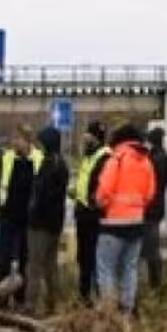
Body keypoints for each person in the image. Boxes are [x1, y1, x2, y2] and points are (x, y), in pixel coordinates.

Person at [94, 125, 157, 316]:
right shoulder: (146, 162)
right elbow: (150, 194)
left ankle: (109, 311)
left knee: (106, 268)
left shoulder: (117, 159)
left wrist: (99, 203)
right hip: (136, 223)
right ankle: (126, 312)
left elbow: (104, 191)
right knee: (129, 268)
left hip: (113, 224)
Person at [0, 126, 40, 300]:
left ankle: (21, 297)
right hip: (8, 214)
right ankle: (0, 297)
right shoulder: (6, 158)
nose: (14, 143)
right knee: (3, 257)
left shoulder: (39, 159)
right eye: (14, 139)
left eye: (18, 139)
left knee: (25, 258)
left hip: (28, 217)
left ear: (28, 140)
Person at [26, 127, 68, 315]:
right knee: (51, 266)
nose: (39, 146)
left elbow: (41, 196)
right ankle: (54, 303)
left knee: (34, 266)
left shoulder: (50, 165)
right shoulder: (61, 164)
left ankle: (31, 305)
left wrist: (32, 213)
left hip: (40, 224)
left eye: (41, 142)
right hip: (54, 223)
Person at [71, 123, 110, 304]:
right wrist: (76, 193)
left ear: (96, 138)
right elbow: (86, 183)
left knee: (95, 259)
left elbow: (101, 187)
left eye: (88, 136)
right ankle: (84, 296)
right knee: (84, 258)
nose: (84, 140)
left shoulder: (104, 158)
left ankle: (100, 298)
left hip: (94, 217)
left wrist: (92, 203)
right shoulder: (89, 156)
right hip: (83, 214)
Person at [142, 128, 167, 290]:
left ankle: (156, 282)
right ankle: (155, 281)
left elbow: (152, 183)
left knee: (151, 247)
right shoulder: (161, 156)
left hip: (152, 208)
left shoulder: (156, 158)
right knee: (151, 246)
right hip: (156, 207)